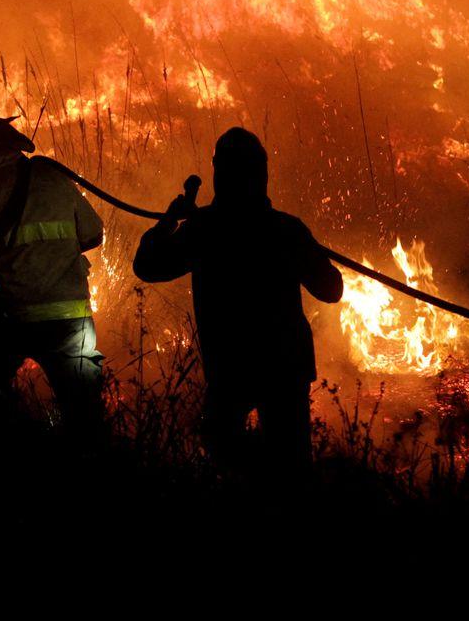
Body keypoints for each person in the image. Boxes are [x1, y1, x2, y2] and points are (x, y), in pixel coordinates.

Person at [133, 127, 343, 478]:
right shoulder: (285, 229)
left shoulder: (204, 230)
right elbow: (331, 290)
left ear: (219, 174)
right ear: (261, 173)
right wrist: (311, 254)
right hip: (284, 367)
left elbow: (148, 265)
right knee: (291, 470)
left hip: (229, 365)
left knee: (225, 464)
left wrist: (170, 220)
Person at [0, 116, 106, 442]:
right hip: (71, 318)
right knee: (85, 415)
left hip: (14, 314)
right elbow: (93, 232)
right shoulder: (55, 179)